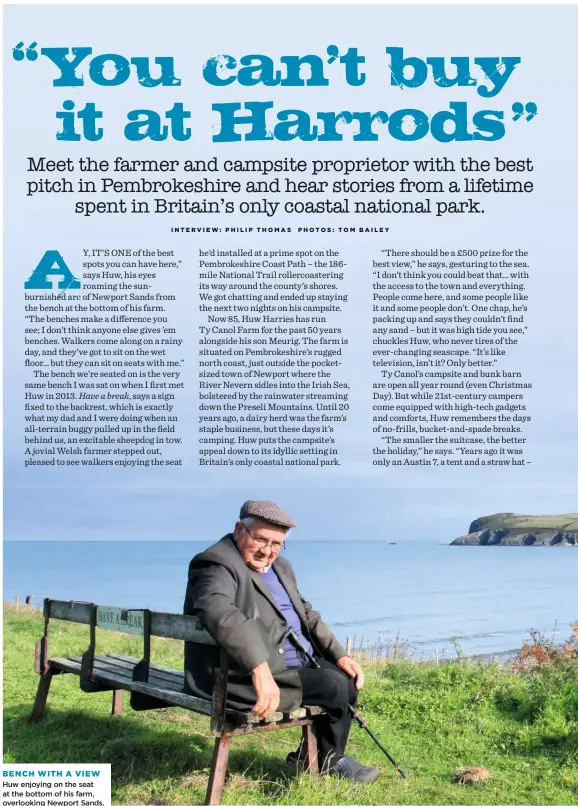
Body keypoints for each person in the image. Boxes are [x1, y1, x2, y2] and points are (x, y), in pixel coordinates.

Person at [183, 499, 380, 784]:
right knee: (333, 685)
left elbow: (307, 614)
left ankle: (319, 755)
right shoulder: (216, 562)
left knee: (345, 677)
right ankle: (327, 760)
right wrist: (258, 667)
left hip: (289, 659)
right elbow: (221, 613)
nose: (267, 550)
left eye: (277, 543)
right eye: (260, 539)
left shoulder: (282, 566)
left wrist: (339, 655)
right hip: (237, 672)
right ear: (240, 530)